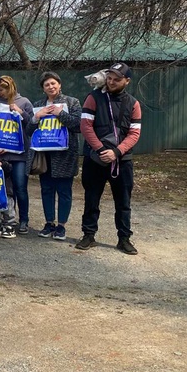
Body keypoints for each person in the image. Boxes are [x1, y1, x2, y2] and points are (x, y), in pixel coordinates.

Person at [77, 62, 142, 255]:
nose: (112, 82)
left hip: (122, 160)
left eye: (117, 79)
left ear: (127, 81)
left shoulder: (134, 104)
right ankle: (88, 235)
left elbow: (134, 133)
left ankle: (124, 239)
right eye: (110, 78)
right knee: (91, 198)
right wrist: (99, 149)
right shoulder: (93, 97)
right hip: (95, 159)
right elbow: (85, 126)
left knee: (123, 202)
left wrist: (116, 152)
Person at [25, 71, 82, 241]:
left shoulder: (72, 102)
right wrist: (36, 118)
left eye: (53, 83)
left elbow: (79, 125)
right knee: (47, 190)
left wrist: (60, 114)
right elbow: (29, 130)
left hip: (65, 155)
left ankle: (61, 226)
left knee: (64, 191)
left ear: (59, 84)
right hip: (44, 156)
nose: (51, 87)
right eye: (47, 85)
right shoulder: (38, 105)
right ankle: (49, 222)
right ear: (43, 89)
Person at [0, 75, 34, 233]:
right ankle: (4, 219)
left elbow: (32, 126)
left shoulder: (24, 102)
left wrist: (21, 113)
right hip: (1, 154)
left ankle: (24, 220)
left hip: (19, 155)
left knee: (20, 187)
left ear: (10, 88)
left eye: (1, 90)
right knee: (4, 189)